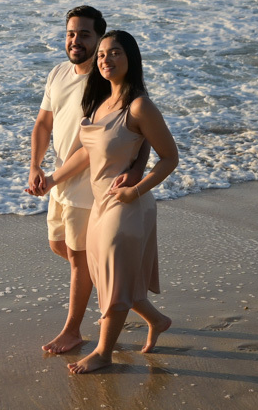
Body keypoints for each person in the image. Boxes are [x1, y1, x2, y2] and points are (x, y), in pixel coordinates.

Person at [34, 30, 178, 374]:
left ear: (130, 58)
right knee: (109, 276)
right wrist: (52, 179)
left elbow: (170, 157)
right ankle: (158, 320)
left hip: (128, 205)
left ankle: (103, 353)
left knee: (113, 282)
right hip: (101, 203)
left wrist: (136, 188)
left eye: (115, 53)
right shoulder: (100, 103)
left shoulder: (139, 105)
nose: (106, 59)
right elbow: (89, 151)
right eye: (101, 55)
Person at [27, 6, 149, 354]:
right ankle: (127, 297)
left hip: (88, 186)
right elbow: (44, 123)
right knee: (61, 248)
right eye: (70, 33)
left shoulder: (103, 80)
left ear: (99, 38)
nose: (75, 40)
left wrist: (137, 170)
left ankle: (73, 330)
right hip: (59, 181)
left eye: (84, 34)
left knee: (80, 260)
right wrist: (35, 166)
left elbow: (94, 147)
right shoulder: (58, 73)